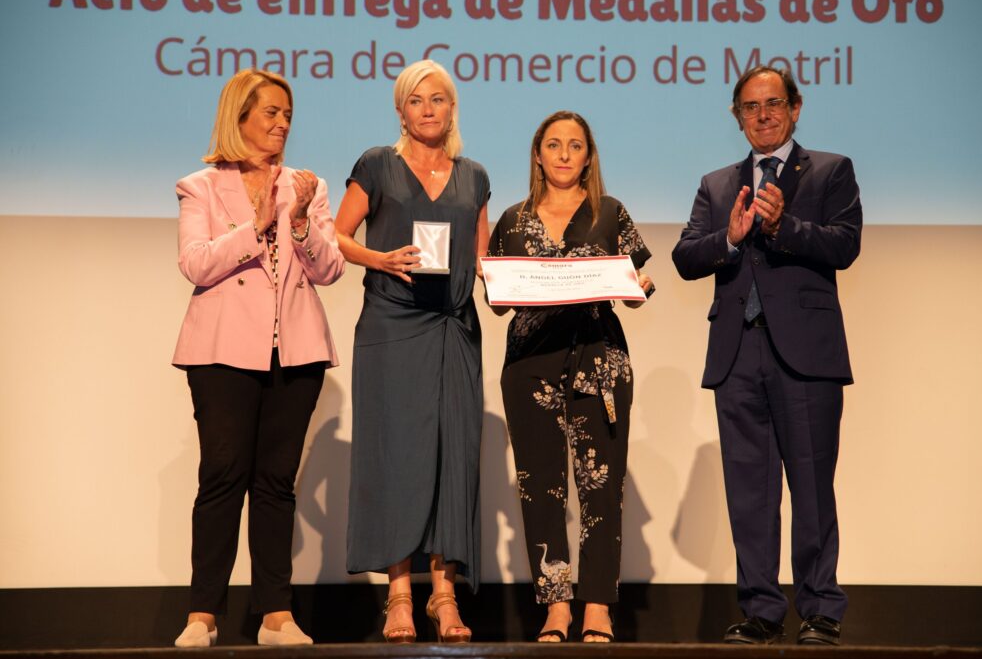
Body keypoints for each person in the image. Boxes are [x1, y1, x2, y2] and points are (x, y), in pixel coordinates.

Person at [672, 66, 862, 646]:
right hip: (737, 353)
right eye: (750, 107)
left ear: (795, 108)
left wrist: (785, 227)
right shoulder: (717, 184)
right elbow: (685, 256)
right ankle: (761, 610)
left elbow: (845, 244)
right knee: (749, 492)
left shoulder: (829, 170)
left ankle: (820, 609)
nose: (763, 115)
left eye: (773, 103)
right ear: (737, 117)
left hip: (805, 355)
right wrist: (729, 239)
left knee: (812, 486)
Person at [171, 69, 345, 647]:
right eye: (271, 112)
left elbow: (330, 269)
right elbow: (196, 263)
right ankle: (203, 615)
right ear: (239, 117)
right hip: (221, 354)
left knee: (276, 482)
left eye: (288, 114)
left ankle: (276, 614)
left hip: (295, 352)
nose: (282, 123)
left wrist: (299, 222)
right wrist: (257, 226)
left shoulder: (307, 186)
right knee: (223, 475)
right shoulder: (200, 187)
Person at [334, 60, 490, 643]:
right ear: (401, 111)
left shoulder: (474, 176)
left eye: (438, 99)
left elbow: (484, 260)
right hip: (392, 325)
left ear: (453, 109)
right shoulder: (377, 164)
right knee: (395, 455)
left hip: (454, 327)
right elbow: (336, 235)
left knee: (453, 456)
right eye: (416, 100)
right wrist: (379, 259)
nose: (428, 109)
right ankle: (398, 596)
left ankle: (443, 596)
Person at [487, 111, 653, 643]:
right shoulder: (512, 220)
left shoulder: (610, 212)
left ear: (588, 156)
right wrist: (498, 285)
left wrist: (639, 287)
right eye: (553, 144)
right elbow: (497, 301)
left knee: (601, 487)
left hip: (599, 361)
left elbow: (635, 285)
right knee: (540, 487)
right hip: (529, 365)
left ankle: (597, 606)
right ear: (538, 155)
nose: (563, 154)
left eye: (575, 145)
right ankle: (556, 606)